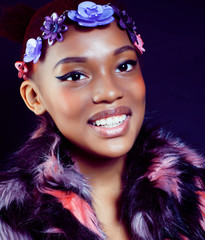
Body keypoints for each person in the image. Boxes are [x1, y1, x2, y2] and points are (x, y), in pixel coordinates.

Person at [0, 0, 205, 239]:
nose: (109, 92)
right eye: (75, 75)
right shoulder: (10, 220)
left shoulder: (196, 193)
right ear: (35, 97)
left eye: (124, 65)